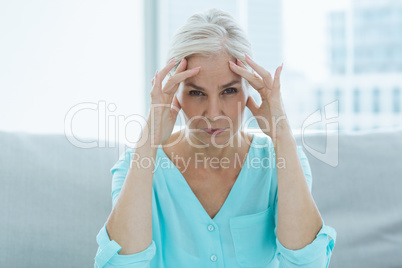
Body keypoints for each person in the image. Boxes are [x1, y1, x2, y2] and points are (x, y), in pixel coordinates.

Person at [94, 8, 336, 268]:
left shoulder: (282, 160)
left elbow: (307, 263)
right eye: (197, 93)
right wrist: (149, 140)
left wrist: (282, 134)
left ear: (248, 90)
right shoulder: (136, 165)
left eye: (229, 91)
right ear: (174, 93)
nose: (212, 113)